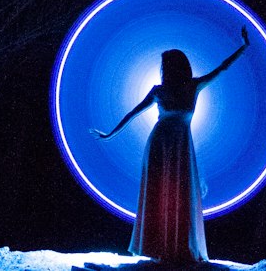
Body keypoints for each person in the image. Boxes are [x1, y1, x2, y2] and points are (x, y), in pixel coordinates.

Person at [91, 27, 250, 263]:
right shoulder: (162, 90)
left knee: (179, 193)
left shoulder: (192, 86)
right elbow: (132, 113)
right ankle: (158, 248)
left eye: (165, 65)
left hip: (179, 147)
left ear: (173, 67)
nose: (163, 69)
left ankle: (178, 248)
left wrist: (244, 47)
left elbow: (222, 68)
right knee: (159, 193)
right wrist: (109, 134)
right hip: (160, 145)